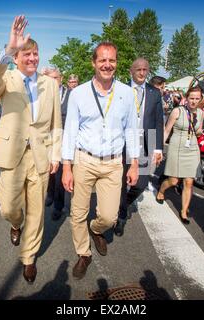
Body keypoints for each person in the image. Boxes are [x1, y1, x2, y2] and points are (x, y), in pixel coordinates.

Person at [0, 15, 62, 284]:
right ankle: (16, 224)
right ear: (17, 57)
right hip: (12, 156)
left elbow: (55, 124)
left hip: (40, 155)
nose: (32, 59)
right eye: (26, 54)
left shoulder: (50, 84)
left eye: (35, 54)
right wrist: (8, 50)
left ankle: (29, 257)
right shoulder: (7, 78)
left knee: (37, 212)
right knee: (8, 208)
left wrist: (56, 155)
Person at [61, 42, 139, 280]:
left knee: (109, 216)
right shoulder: (78, 93)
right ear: (94, 63)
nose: (107, 65)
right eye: (102, 60)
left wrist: (135, 163)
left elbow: (132, 130)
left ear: (117, 63)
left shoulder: (127, 93)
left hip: (113, 163)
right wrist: (67, 167)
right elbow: (70, 132)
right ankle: (83, 253)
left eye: (112, 60)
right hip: (84, 159)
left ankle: (96, 230)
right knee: (78, 212)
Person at [114, 58, 164, 237]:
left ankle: (125, 203)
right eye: (138, 69)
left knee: (141, 183)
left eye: (145, 70)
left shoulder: (154, 93)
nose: (142, 73)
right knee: (120, 182)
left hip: (144, 143)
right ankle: (120, 216)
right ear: (131, 71)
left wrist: (158, 148)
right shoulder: (120, 90)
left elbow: (158, 121)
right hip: (122, 142)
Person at [156, 86, 204, 224]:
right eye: (191, 98)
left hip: (193, 148)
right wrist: (159, 149)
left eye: (197, 98)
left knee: (189, 182)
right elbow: (166, 130)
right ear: (186, 98)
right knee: (174, 181)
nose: (194, 101)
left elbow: (198, 131)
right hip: (177, 147)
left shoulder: (201, 113)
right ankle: (161, 190)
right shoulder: (177, 111)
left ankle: (184, 211)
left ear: (200, 99)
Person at [43, 67, 71, 220]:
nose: (54, 81)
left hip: (64, 138)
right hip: (47, 138)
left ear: (61, 78)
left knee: (60, 172)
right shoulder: (43, 93)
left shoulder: (70, 94)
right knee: (49, 169)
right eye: (50, 78)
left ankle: (58, 206)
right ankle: (50, 193)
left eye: (56, 78)